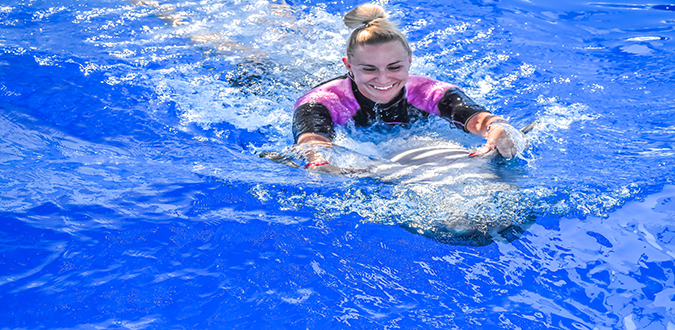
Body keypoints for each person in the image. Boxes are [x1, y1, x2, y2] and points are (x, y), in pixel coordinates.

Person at [292, 3, 527, 173]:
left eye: (394, 67)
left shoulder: (429, 92)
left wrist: (498, 129)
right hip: (296, 76)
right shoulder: (322, 101)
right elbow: (313, 143)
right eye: (369, 69)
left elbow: (479, 120)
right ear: (348, 66)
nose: (383, 80)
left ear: (410, 61)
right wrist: (320, 162)